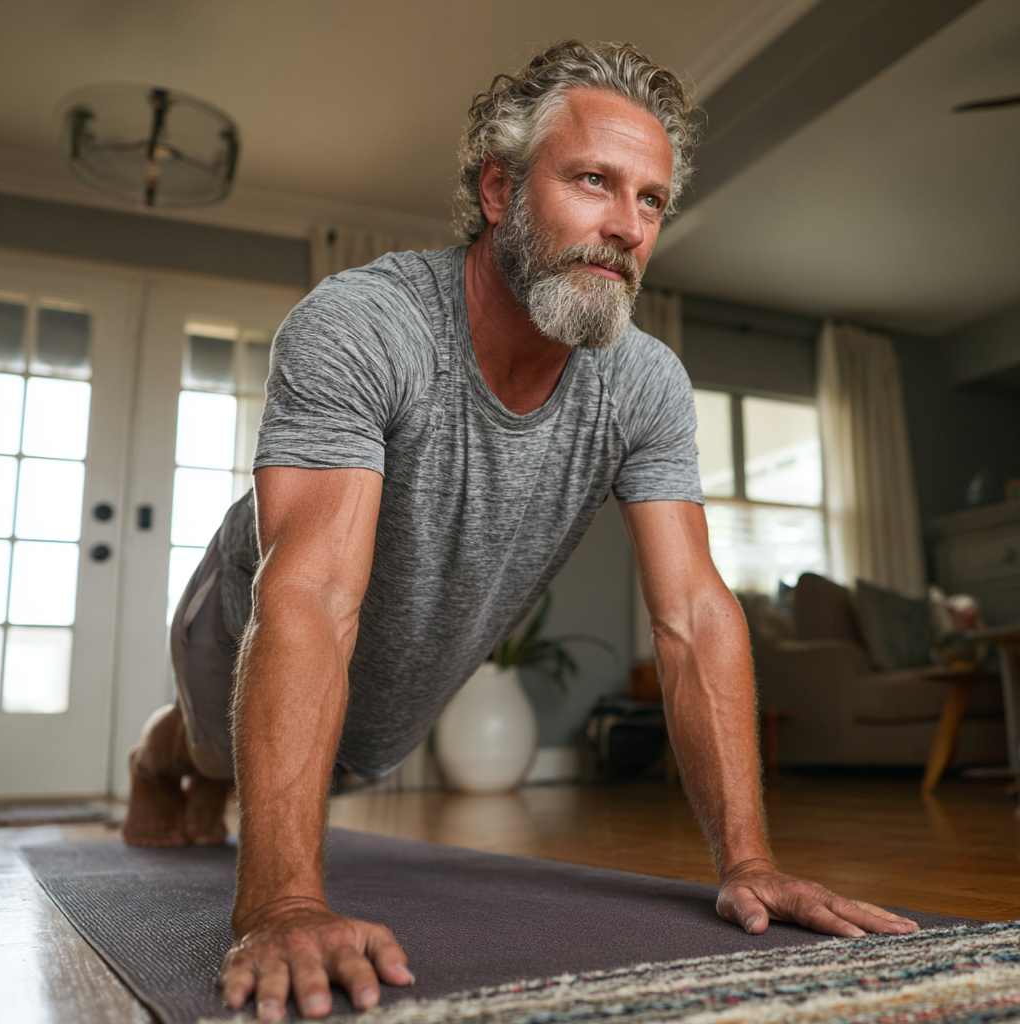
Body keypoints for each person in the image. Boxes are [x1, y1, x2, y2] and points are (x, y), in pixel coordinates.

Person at [122, 40, 917, 1022]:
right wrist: (281, 901)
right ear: (499, 188)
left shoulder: (644, 385)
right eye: (593, 180)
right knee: (209, 758)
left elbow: (693, 614)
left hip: (399, 678)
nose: (625, 227)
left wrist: (749, 861)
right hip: (253, 617)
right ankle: (155, 754)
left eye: (650, 200)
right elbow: (311, 593)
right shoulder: (365, 323)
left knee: (351, 756)